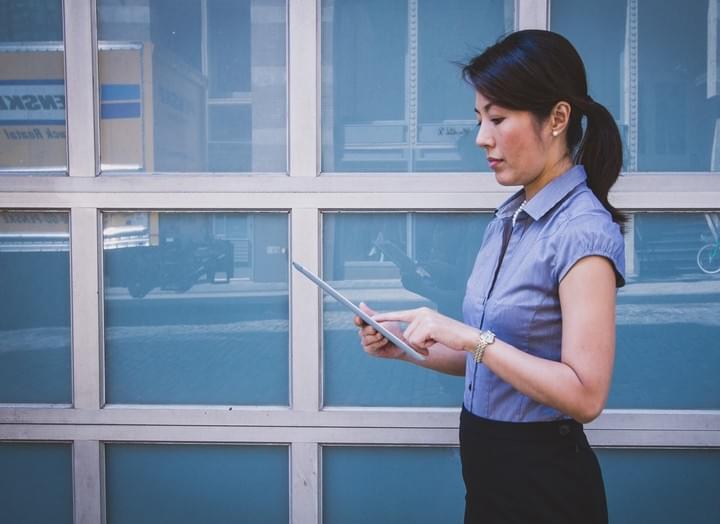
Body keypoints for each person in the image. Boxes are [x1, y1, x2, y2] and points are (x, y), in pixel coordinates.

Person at [355, 29, 625, 524]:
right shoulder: (507, 219)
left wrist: (467, 336)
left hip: (544, 485)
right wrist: (409, 347)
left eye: (498, 118)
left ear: (558, 118)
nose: (481, 137)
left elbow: (586, 396)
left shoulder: (582, 231)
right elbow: (493, 358)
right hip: (488, 471)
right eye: (479, 118)